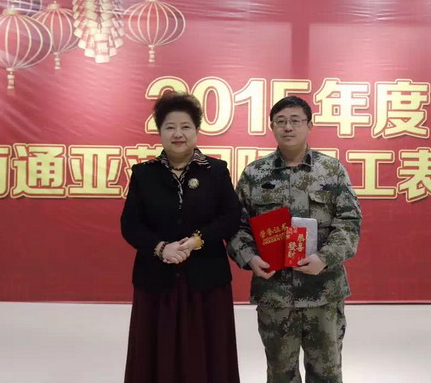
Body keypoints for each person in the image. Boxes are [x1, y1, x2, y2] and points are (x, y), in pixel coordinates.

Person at [228, 96, 362, 383]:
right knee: (280, 374)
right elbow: (236, 227)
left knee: (326, 374)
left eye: (295, 121)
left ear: (309, 125)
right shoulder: (254, 174)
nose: (288, 127)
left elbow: (349, 223)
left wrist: (324, 258)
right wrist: (250, 258)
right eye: (281, 121)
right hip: (275, 294)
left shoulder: (332, 170)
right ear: (272, 126)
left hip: (323, 292)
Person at [121, 92, 241, 383]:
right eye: (170, 127)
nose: (178, 134)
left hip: (206, 279)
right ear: (160, 132)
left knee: (206, 354)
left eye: (185, 126)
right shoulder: (144, 174)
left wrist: (198, 240)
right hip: (156, 279)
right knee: (156, 353)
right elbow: (131, 224)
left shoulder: (216, 171)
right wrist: (161, 247)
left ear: (196, 130)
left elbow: (230, 217)